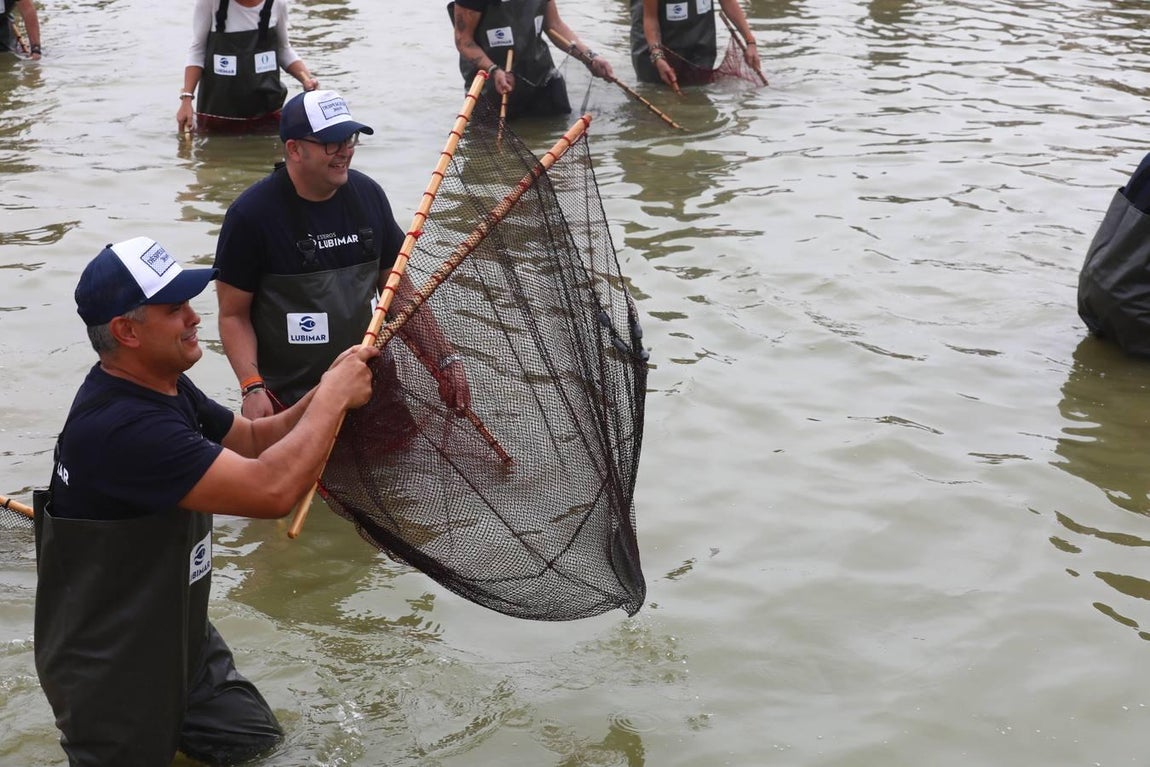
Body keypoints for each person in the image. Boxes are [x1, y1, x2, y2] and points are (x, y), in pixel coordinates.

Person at [34, 235, 378, 766]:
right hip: (112, 671)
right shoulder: (123, 427)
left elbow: (259, 440)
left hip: (182, 637)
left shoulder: (163, 383)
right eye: (175, 309)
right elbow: (272, 491)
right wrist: (334, 400)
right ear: (127, 331)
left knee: (262, 751)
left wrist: (328, 383)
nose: (195, 318)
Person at [214, 88, 470, 419]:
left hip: (367, 381)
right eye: (331, 143)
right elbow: (232, 315)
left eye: (350, 139)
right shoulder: (250, 216)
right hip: (292, 397)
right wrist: (252, 387)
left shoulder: (369, 196)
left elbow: (398, 292)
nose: (345, 152)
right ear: (294, 149)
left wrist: (445, 358)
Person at [449, 0, 614, 120]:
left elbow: (554, 25)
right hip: (493, 85)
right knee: (489, 144)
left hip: (539, 79)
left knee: (551, 136)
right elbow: (463, 41)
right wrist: (493, 70)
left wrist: (589, 57)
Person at [177, 0, 319, 134]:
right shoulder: (211, 3)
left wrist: (306, 79)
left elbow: (283, 50)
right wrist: (187, 100)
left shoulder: (277, 3)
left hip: (267, 113)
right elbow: (198, 50)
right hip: (218, 115)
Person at [630, 0, 761, 89]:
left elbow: (728, 2)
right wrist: (657, 56)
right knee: (657, 93)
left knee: (699, 96)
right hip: (655, 40)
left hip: (699, 40)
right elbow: (650, 18)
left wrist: (750, 41)